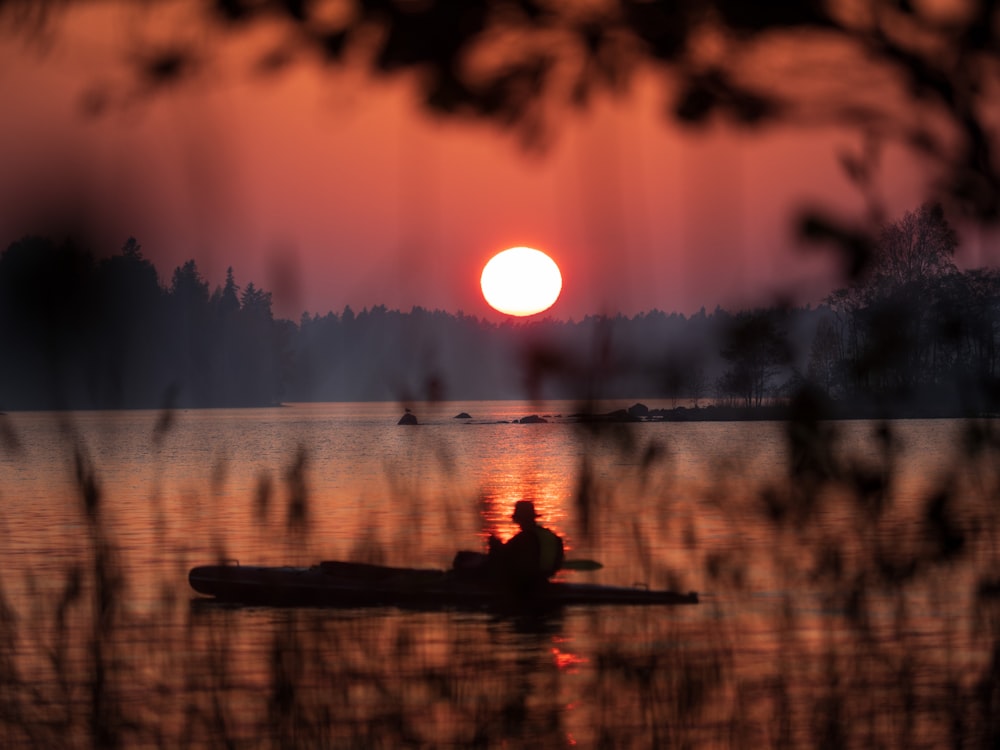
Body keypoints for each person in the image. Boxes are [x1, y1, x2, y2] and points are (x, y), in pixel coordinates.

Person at [486, 500, 564, 593]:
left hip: (524, 585)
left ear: (518, 519)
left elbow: (506, 558)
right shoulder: (551, 535)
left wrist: (495, 546)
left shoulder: (522, 538)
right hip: (544, 579)